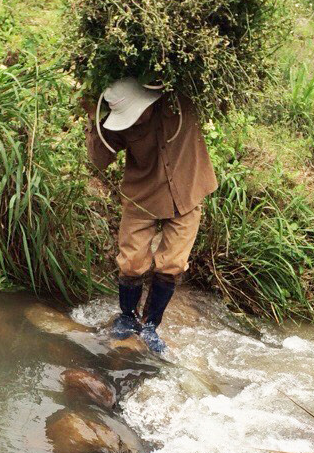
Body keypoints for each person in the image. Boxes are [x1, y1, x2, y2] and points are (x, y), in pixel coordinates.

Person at [86, 79, 218, 356]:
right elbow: (99, 160)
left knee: (172, 263)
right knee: (131, 262)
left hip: (189, 189)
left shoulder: (178, 102)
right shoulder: (118, 125)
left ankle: (150, 325)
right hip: (142, 195)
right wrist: (93, 121)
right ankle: (128, 317)